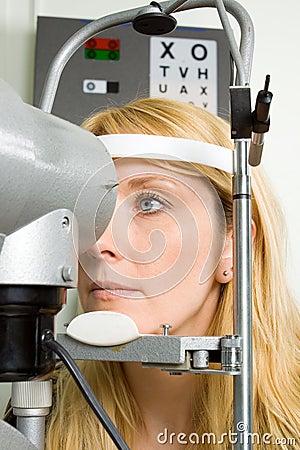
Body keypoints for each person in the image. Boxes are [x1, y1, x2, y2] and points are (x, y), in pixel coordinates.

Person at [45, 98, 300, 449]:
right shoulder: (39, 409)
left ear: (232, 245)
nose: (99, 241)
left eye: (150, 204)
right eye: (90, 207)